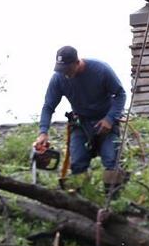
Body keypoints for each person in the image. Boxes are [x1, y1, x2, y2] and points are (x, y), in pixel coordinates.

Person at [35, 45, 127, 177]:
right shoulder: (58, 78)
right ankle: (81, 195)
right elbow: (48, 107)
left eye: (68, 69)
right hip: (81, 124)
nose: (65, 73)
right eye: (62, 69)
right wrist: (43, 132)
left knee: (112, 162)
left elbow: (120, 94)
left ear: (77, 62)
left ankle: (113, 196)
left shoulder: (101, 70)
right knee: (77, 164)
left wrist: (110, 119)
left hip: (106, 123)